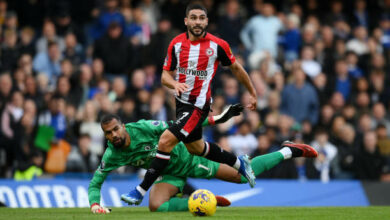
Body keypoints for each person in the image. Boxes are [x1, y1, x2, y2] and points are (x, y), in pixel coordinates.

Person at [122, 3, 259, 205]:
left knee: (165, 141)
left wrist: (252, 91)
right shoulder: (176, 44)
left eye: (201, 18)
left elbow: (237, 69)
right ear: (186, 21)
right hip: (181, 105)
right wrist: (174, 83)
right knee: (196, 148)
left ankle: (140, 190)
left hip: (199, 106)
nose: (197, 22)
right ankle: (240, 163)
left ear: (206, 21)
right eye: (193, 18)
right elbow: (164, 76)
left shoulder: (217, 45)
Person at [88, 109, 318, 214]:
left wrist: (217, 119)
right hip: (167, 173)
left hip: (190, 159)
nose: (113, 135)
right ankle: (202, 201)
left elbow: (183, 125)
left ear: (123, 126)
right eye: (108, 133)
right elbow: (96, 181)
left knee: (240, 177)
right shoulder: (112, 154)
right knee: (155, 206)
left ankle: (288, 151)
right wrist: (95, 204)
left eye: (115, 129)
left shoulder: (144, 128)